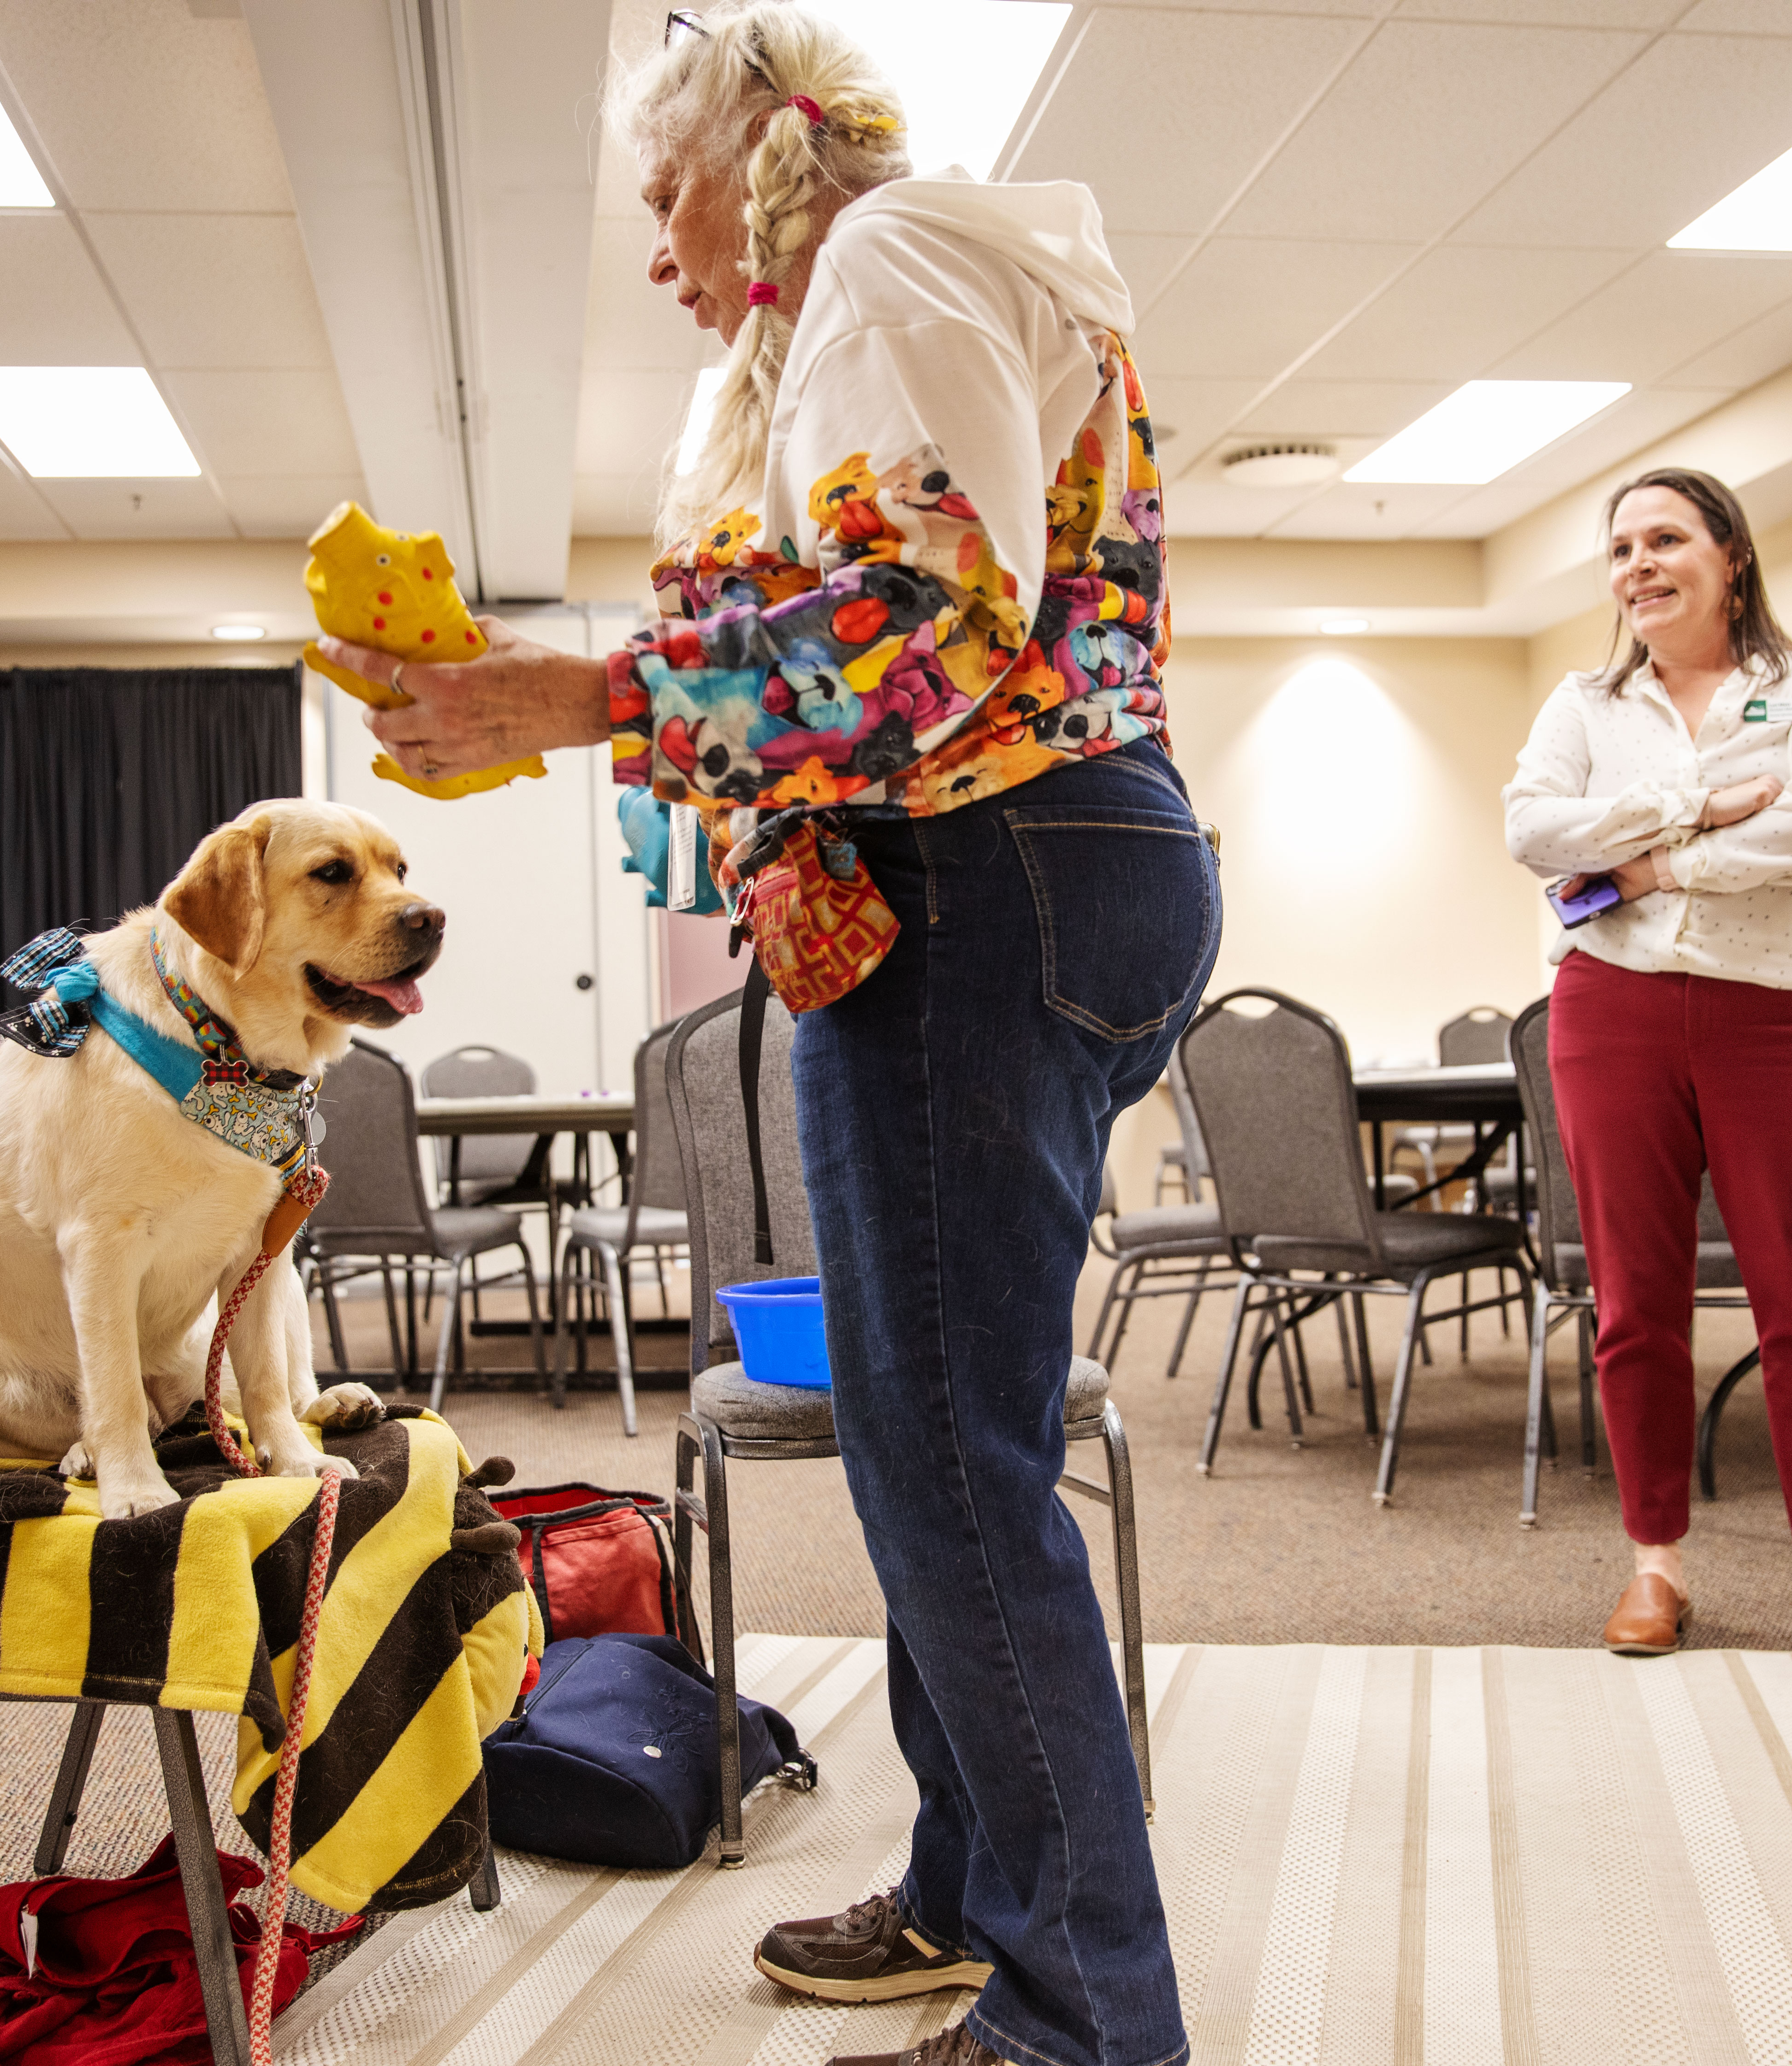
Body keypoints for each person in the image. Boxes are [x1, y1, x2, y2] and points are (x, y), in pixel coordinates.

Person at [315, 9, 1214, 2061]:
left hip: (987, 880)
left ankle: (1087, 2016)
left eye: (660, 193)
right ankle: (973, 1895)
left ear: (767, 147)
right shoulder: (899, 293)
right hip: (1020, 873)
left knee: (957, 1473)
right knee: (927, 1454)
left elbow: (928, 626)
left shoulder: (891, 262)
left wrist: (577, 698)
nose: (653, 249)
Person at [1503, 466, 1792, 1668]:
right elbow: (1533, 830)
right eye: (1620, 547)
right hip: (1611, 1010)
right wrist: (1694, 799)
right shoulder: (1583, 702)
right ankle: (1654, 1565)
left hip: (1781, 1013)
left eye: (1666, 538)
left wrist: (1659, 863)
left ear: (1729, 553)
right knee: (1635, 1301)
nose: (1638, 565)